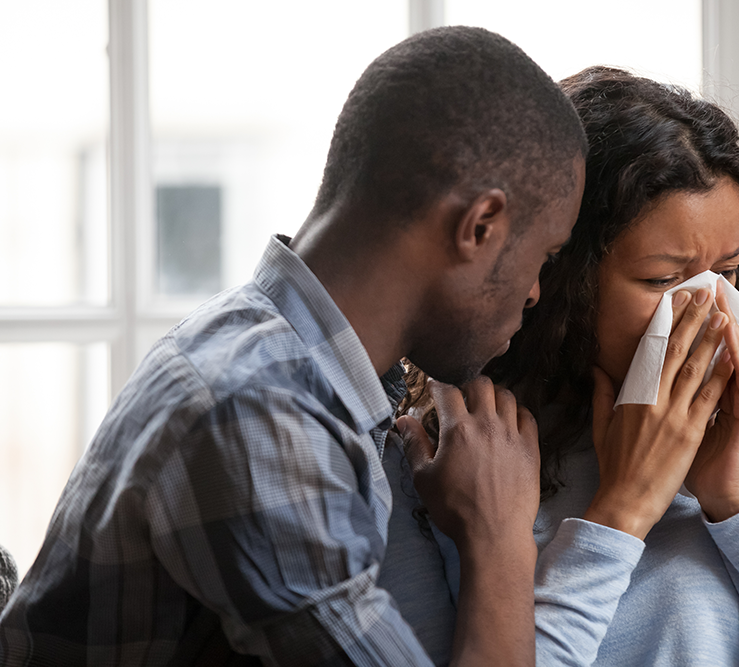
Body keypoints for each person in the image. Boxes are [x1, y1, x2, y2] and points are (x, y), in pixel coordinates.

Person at [0, 27, 588, 665]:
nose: (534, 292)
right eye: (544, 255)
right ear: (480, 226)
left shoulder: (283, 365)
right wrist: (499, 544)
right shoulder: (256, 412)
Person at [386, 67, 739, 665]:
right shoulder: (452, 462)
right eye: (662, 280)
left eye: (729, 270)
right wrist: (622, 512)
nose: (713, 310)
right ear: (556, 276)